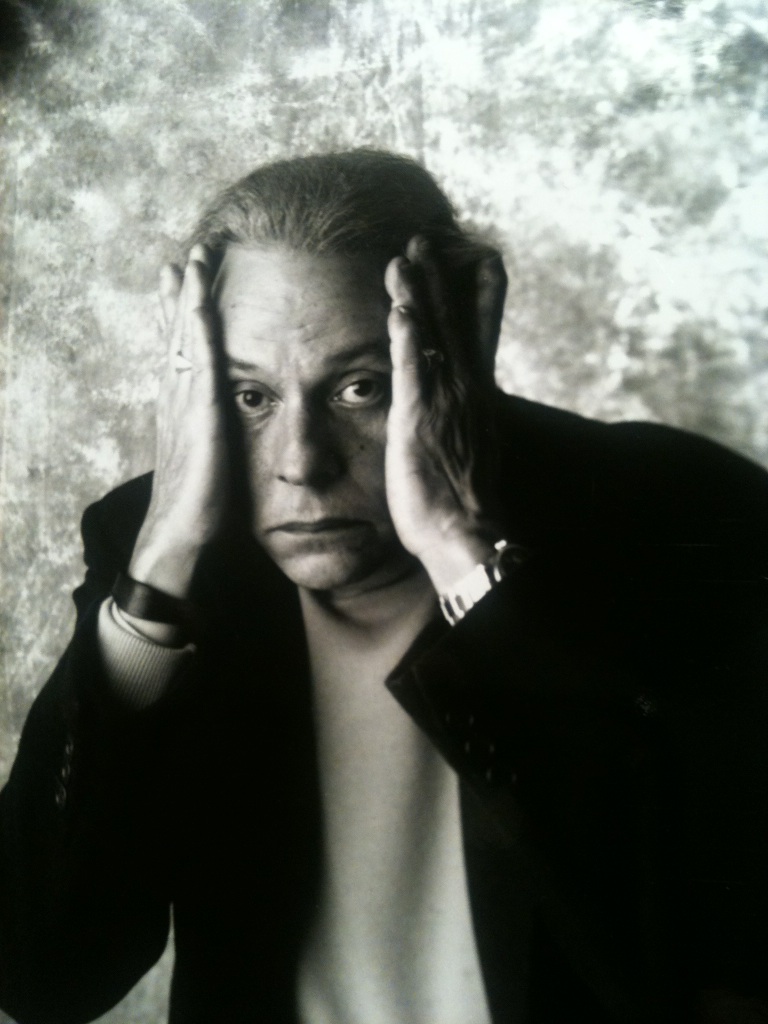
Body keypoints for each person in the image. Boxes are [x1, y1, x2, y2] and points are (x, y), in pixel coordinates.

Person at [0, 150, 766, 1024]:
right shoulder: (163, 549)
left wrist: (465, 560)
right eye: (250, 397)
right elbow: (43, 979)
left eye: (360, 387)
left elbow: (713, 956)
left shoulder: (678, 511)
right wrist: (158, 580)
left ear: (463, 332)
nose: (301, 464)